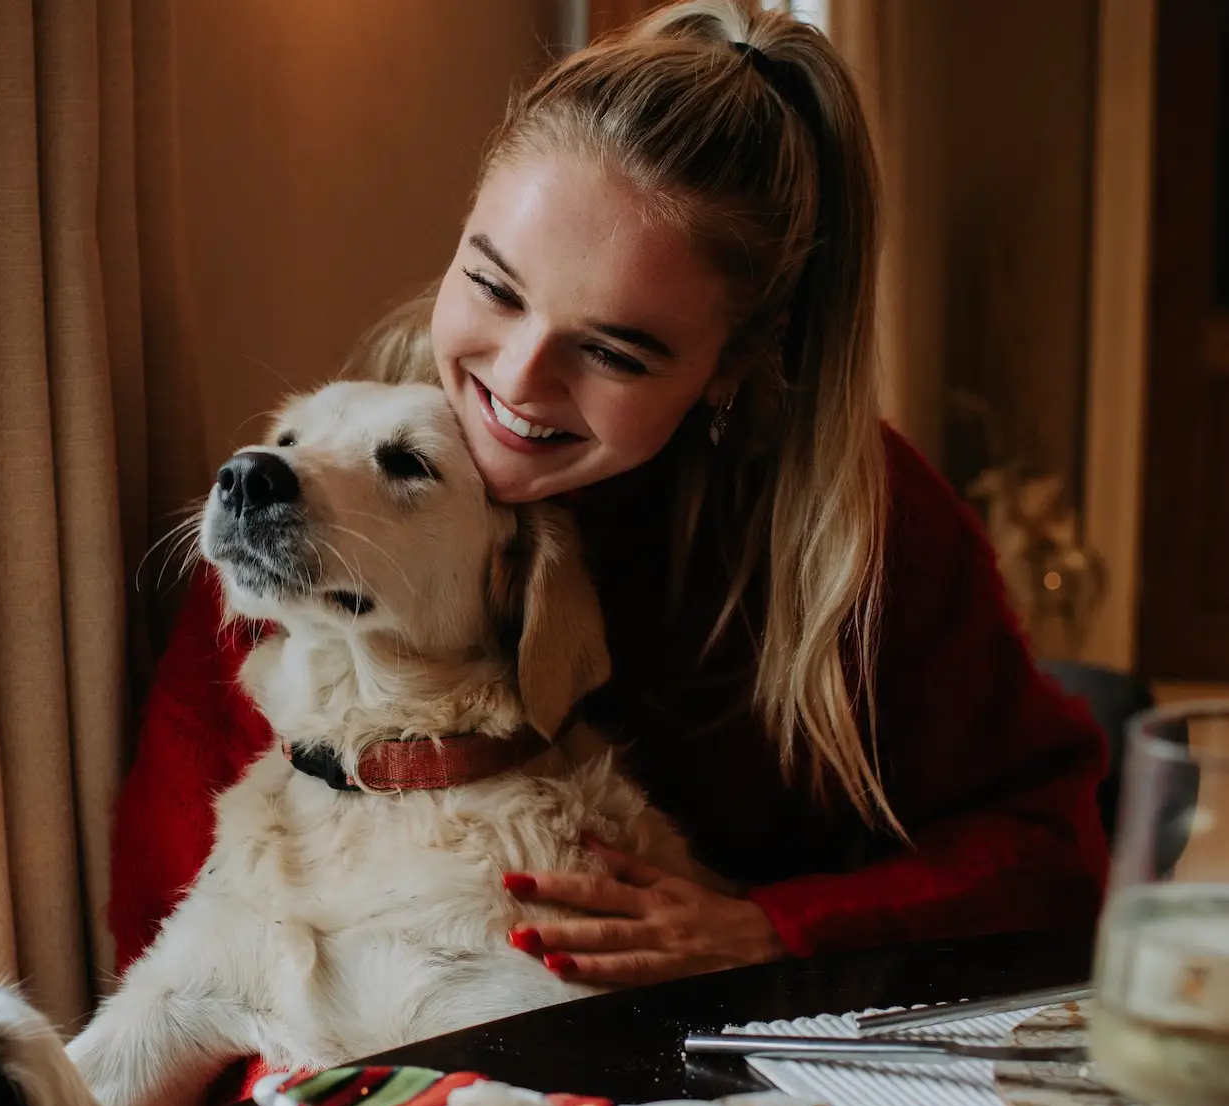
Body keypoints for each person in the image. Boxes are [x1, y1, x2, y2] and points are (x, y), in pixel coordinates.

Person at [107, 0, 1106, 997]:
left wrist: (775, 929)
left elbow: (1049, 850)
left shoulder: (864, 529)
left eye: (613, 351)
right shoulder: (321, 481)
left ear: (731, 367)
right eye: (494, 287)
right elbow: (175, 912)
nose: (518, 381)